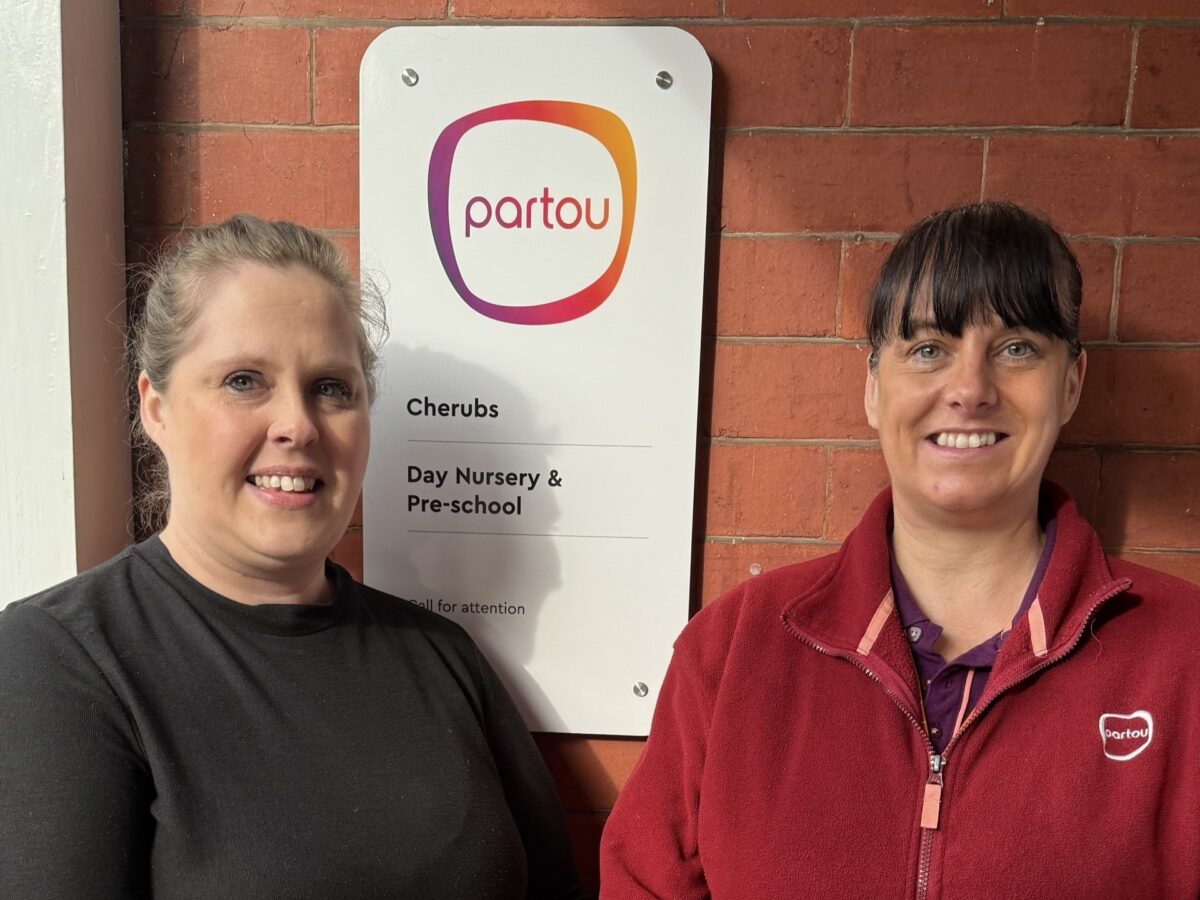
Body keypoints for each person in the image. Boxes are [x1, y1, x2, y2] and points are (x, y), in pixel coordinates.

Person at [600, 201, 1200, 898]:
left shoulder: (1182, 654)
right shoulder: (733, 650)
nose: (970, 390)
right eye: (927, 349)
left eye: (1017, 349)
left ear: (1070, 384)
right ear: (873, 387)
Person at [0, 215, 582, 900]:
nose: (298, 425)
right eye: (245, 380)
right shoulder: (63, 661)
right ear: (156, 408)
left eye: (332, 388)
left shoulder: (440, 657)